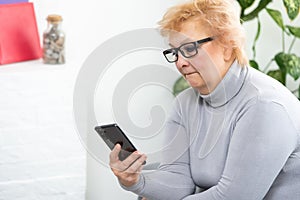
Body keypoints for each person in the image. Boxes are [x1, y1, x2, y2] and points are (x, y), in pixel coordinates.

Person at [109, 0, 300, 199]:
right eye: (174, 52)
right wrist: (135, 181)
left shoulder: (265, 106)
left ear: (227, 45)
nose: (180, 62)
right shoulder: (185, 104)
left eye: (190, 48)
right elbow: (178, 180)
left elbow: (233, 197)